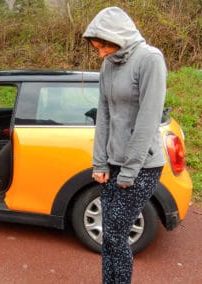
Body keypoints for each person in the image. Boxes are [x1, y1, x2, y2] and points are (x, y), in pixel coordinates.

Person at [83, 6, 167, 284]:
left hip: (142, 166)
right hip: (112, 164)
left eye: (104, 46)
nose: (101, 53)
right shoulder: (107, 65)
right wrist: (100, 162)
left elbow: (148, 119)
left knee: (116, 234)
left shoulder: (150, 59)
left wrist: (130, 171)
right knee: (109, 233)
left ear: (119, 36)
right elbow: (104, 115)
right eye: (97, 47)